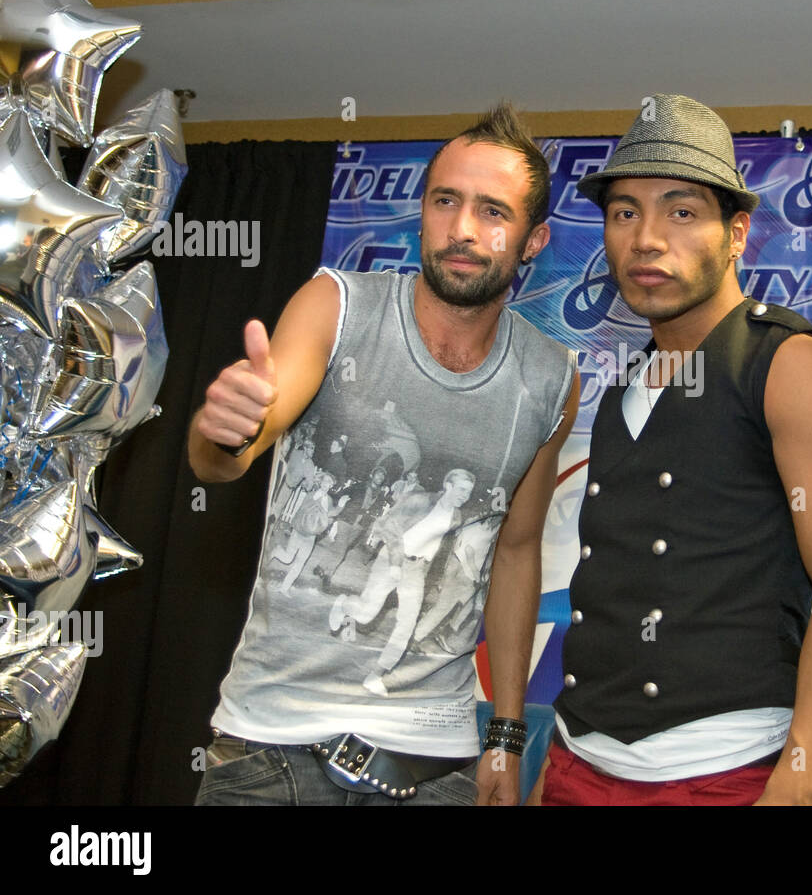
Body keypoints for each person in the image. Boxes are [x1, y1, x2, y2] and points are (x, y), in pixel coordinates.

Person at [189, 103, 579, 806]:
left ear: (533, 240)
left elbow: (518, 551)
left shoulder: (551, 377)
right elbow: (227, 459)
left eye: (493, 211)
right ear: (422, 213)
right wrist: (220, 431)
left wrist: (507, 735)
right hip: (272, 752)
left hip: (437, 765)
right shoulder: (336, 305)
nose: (463, 229)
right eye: (445, 201)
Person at [543, 93, 812, 806]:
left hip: (726, 772)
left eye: (681, 211)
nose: (645, 238)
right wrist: (558, 759)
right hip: (579, 764)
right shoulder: (622, 386)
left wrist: (799, 777)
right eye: (624, 213)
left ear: (737, 233)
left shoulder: (790, 364)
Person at [329, 468, 474, 695]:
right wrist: (396, 563)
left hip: (416, 570)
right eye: (462, 489)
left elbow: (435, 547)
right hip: (391, 558)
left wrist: (426, 574)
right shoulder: (421, 500)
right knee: (366, 614)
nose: (466, 495)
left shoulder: (456, 516)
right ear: (448, 485)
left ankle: (376, 675)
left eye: (469, 492)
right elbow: (386, 525)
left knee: (407, 624)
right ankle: (344, 604)